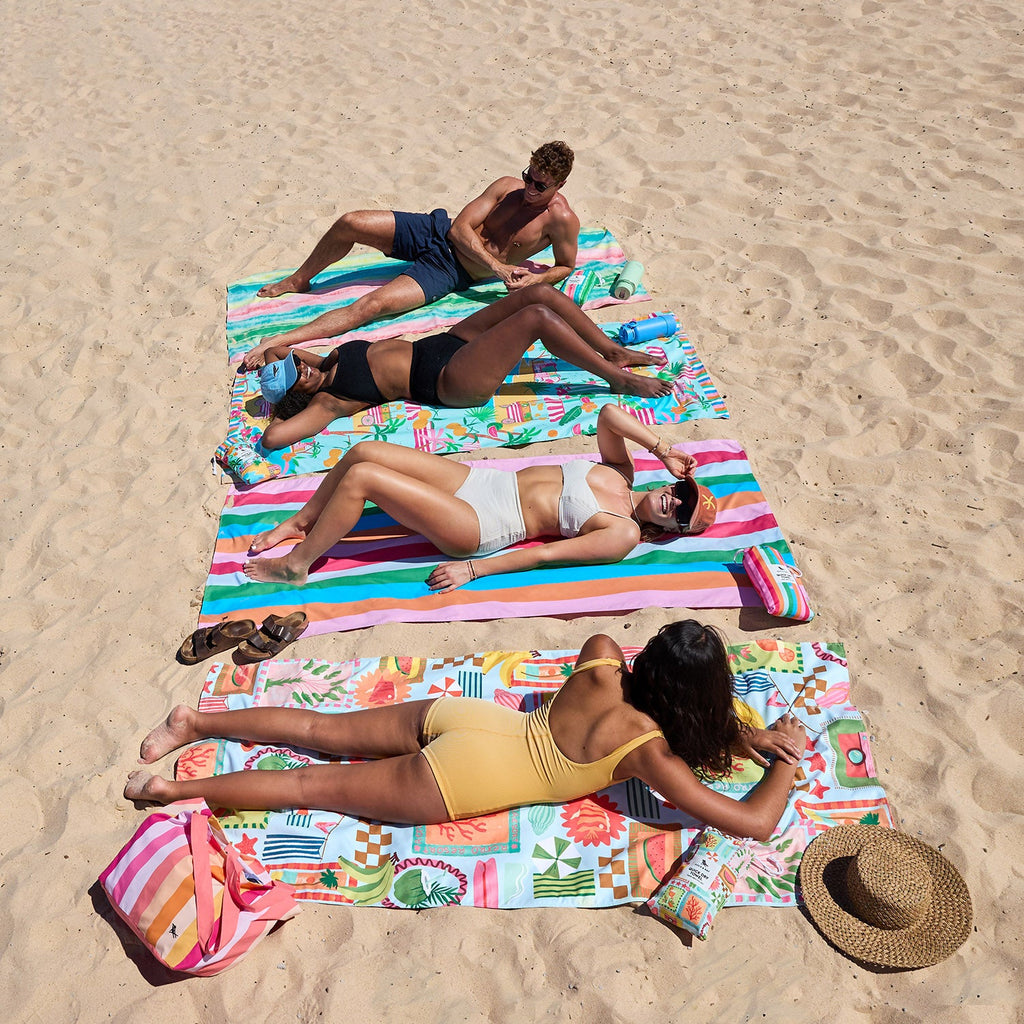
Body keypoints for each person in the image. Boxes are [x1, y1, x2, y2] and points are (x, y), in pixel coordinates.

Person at [125, 621, 807, 841]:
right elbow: (754, 822)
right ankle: (164, 790)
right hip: (471, 776)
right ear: (703, 703)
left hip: (470, 717)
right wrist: (783, 759)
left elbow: (625, 665)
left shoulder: (602, 656)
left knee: (317, 726)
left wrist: (739, 730)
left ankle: (194, 721)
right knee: (310, 782)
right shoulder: (648, 754)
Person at [240, 403, 718, 589]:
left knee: (366, 477)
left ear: (670, 528)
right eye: (681, 492)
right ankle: (304, 521)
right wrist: (664, 448)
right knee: (365, 449)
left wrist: (473, 568)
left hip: (483, 523)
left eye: (682, 511)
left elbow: (545, 557)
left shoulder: (623, 534)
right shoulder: (622, 472)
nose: (674, 500)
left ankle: (297, 565)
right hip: (482, 482)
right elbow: (611, 415)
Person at [241, 141, 581, 371]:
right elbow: (460, 227)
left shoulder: (561, 222)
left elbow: (565, 265)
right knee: (350, 222)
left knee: (371, 306)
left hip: (450, 270)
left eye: (540, 186)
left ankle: (279, 340)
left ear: (559, 186)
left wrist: (537, 278)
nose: (529, 188)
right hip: (436, 231)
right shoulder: (507, 187)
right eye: (528, 177)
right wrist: (498, 267)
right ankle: (300, 278)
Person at [256, 282, 672, 450]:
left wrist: (272, 353)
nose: (301, 369)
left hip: (443, 344)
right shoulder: (329, 402)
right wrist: (277, 406)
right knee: (537, 320)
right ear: (297, 396)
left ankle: (610, 350)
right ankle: (617, 379)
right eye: (297, 379)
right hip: (447, 380)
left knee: (539, 293)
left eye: (297, 366)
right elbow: (275, 438)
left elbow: (281, 354)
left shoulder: (323, 364)